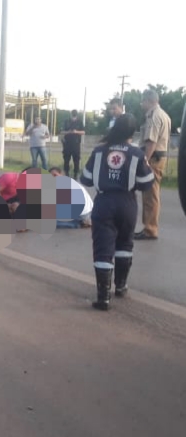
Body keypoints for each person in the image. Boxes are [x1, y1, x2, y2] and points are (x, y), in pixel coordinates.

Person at [80, 113, 155, 310]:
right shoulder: (137, 153)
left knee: (103, 248)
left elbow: (86, 178)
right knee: (125, 244)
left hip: (104, 202)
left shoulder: (98, 151)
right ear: (132, 132)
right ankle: (121, 287)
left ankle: (103, 298)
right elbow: (147, 183)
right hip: (127, 203)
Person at [134, 89, 172, 241]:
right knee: (151, 193)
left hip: (153, 158)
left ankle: (150, 229)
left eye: (142, 101)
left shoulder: (154, 115)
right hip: (159, 157)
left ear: (149, 101)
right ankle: (149, 227)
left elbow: (151, 141)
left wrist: (145, 160)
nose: (141, 104)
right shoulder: (164, 115)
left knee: (150, 195)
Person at [60, 110, 85, 180]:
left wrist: (76, 131)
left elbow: (83, 132)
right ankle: (66, 173)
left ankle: (75, 174)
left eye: (75, 114)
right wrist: (69, 132)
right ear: (71, 114)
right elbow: (62, 132)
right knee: (66, 160)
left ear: (76, 115)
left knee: (76, 160)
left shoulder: (80, 122)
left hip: (76, 144)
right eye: (73, 114)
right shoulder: (66, 121)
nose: (74, 116)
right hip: (67, 144)